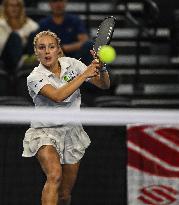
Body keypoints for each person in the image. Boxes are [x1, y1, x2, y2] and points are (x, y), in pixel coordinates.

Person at [22, 30, 110, 205]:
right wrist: (85, 74)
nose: (47, 51)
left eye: (51, 47)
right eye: (42, 47)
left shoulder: (73, 65)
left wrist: (102, 68)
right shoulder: (34, 77)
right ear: (36, 52)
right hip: (44, 132)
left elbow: (104, 85)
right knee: (54, 175)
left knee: (64, 195)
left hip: (72, 131)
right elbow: (57, 96)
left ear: (58, 50)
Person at [38, 0, 93, 65]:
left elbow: (84, 42)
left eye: (60, 1)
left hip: (76, 58)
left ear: (65, 2)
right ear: (49, 4)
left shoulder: (75, 20)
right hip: (53, 59)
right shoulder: (43, 23)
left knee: (90, 44)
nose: (58, 5)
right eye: (54, 1)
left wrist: (64, 48)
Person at [0, 0, 39, 73]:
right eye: (11, 5)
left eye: (17, 5)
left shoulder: (30, 25)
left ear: (21, 8)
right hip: (6, 60)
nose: (14, 8)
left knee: (34, 34)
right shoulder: (1, 24)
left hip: (25, 57)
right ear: (6, 7)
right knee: (15, 37)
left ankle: (30, 64)